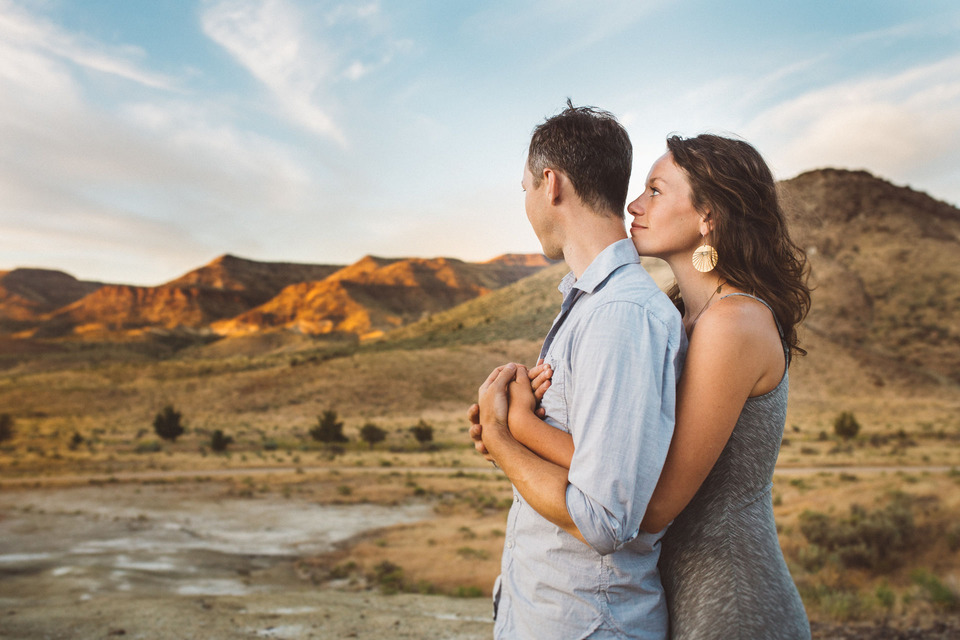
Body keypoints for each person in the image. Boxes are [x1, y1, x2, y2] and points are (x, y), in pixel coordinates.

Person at [478, 133, 813, 639]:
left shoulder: (733, 323)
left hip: (727, 598)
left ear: (709, 216)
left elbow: (648, 501)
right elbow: (625, 463)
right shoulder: (679, 315)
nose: (634, 204)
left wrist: (517, 428)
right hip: (671, 588)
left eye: (656, 190)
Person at [471, 102, 685, 640]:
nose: (525, 203)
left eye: (524, 188)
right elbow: (593, 460)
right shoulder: (588, 306)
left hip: (588, 625)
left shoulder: (621, 315)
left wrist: (503, 438)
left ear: (552, 183)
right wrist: (519, 428)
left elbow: (603, 517)